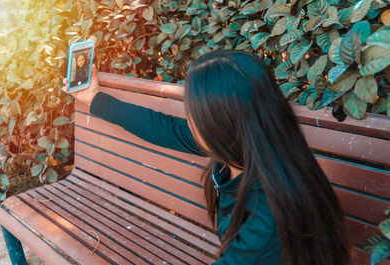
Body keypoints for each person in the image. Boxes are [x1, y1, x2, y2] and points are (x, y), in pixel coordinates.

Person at [62, 50, 351, 265]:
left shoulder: (270, 214)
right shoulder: (250, 147)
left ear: (224, 125)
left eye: (195, 117)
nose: (189, 123)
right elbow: (162, 128)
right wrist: (95, 99)